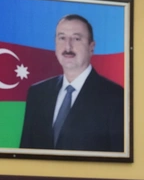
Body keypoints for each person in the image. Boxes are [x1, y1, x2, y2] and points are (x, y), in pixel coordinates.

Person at [19, 14, 124, 152]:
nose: (68, 46)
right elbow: (26, 153)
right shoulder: (37, 93)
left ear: (91, 47)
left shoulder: (115, 97)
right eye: (62, 38)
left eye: (76, 38)